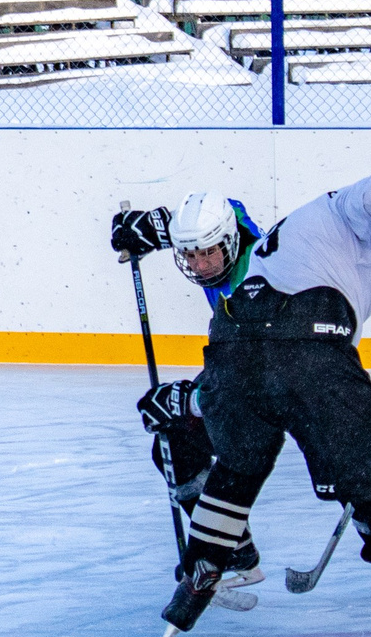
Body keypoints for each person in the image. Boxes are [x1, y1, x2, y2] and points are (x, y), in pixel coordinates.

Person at [142, 176, 371, 637]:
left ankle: (200, 573)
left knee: (236, 471)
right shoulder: (345, 206)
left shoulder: (293, 243)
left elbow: (246, 364)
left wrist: (196, 403)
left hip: (230, 341)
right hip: (308, 341)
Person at [112, 193, 268, 604]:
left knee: (351, 475)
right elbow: (229, 205)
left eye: (207, 255)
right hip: (249, 371)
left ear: (230, 245)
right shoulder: (235, 229)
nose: (199, 266)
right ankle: (234, 550)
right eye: (189, 255)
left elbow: (246, 377)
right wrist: (151, 226)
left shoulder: (253, 286)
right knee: (176, 444)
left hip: (289, 381)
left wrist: (188, 399)